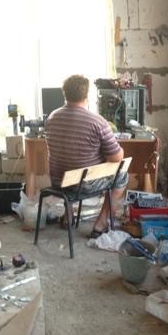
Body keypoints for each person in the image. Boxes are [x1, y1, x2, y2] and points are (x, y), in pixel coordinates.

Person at [44, 74, 128, 235]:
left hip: (58, 182)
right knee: (122, 174)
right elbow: (116, 158)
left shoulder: (51, 118)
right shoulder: (97, 121)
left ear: (65, 93)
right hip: (82, 186)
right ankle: (101, 223)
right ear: (86, 95)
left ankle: (68, 216)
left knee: (70, 166)